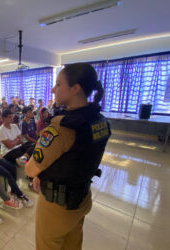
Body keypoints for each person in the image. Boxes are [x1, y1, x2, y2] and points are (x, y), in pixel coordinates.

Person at [25, 62, 111, 250]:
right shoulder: (100, 120)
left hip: (57, 207)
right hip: (81, 197)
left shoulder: (63, 128)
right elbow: (75, 157)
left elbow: (30, 169)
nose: (53, 89)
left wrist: (37, 170)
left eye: (58, 84)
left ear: (75, 89)